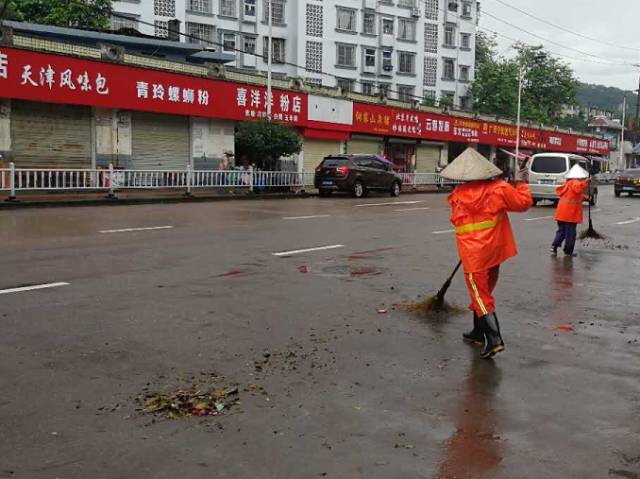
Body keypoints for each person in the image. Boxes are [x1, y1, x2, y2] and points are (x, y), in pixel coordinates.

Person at [440, 148, 533, 359]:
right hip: (493, 251)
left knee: (480, 295)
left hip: (474, 254)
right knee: (484, 291)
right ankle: (479, 332)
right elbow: (523, 203)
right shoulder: (500, 188)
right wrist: (521, 183)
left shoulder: (457, 196)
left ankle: (494, 339)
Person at [550, 164, 590, 258]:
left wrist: (586, 197)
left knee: (561, 232)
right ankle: (568, 251)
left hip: (561, 213)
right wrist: (586, 182)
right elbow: (577, 189)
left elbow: (574, 194)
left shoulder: (567, 184)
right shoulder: (575, 182)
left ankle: (554, 246)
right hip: (570, 214)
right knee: (570, 234)